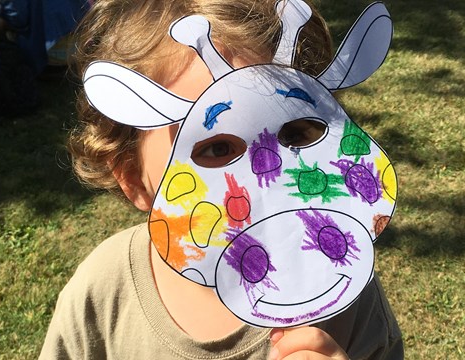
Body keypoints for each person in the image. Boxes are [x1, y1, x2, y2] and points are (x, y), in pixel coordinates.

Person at [40, 0, 404, 359]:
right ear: (134, 179)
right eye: (215, 149)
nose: (268, 174)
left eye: (296, 133)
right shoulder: (105, 291)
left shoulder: (342, 288)